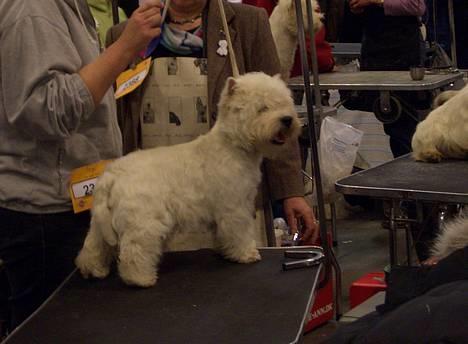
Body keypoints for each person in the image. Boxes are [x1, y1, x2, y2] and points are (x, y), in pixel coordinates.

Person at [0, 0, 163, 332]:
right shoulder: (33, 8)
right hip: (45, 215)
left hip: (66, 205)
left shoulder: (68, 7)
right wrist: (123, 48)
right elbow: (47, 110)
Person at [106, 0, 319, 248]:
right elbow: (112, 122)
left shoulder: (249, 23)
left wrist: (291, 191)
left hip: (231, 200)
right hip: (151, 198)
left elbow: (279, 114)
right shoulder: (123, 35)